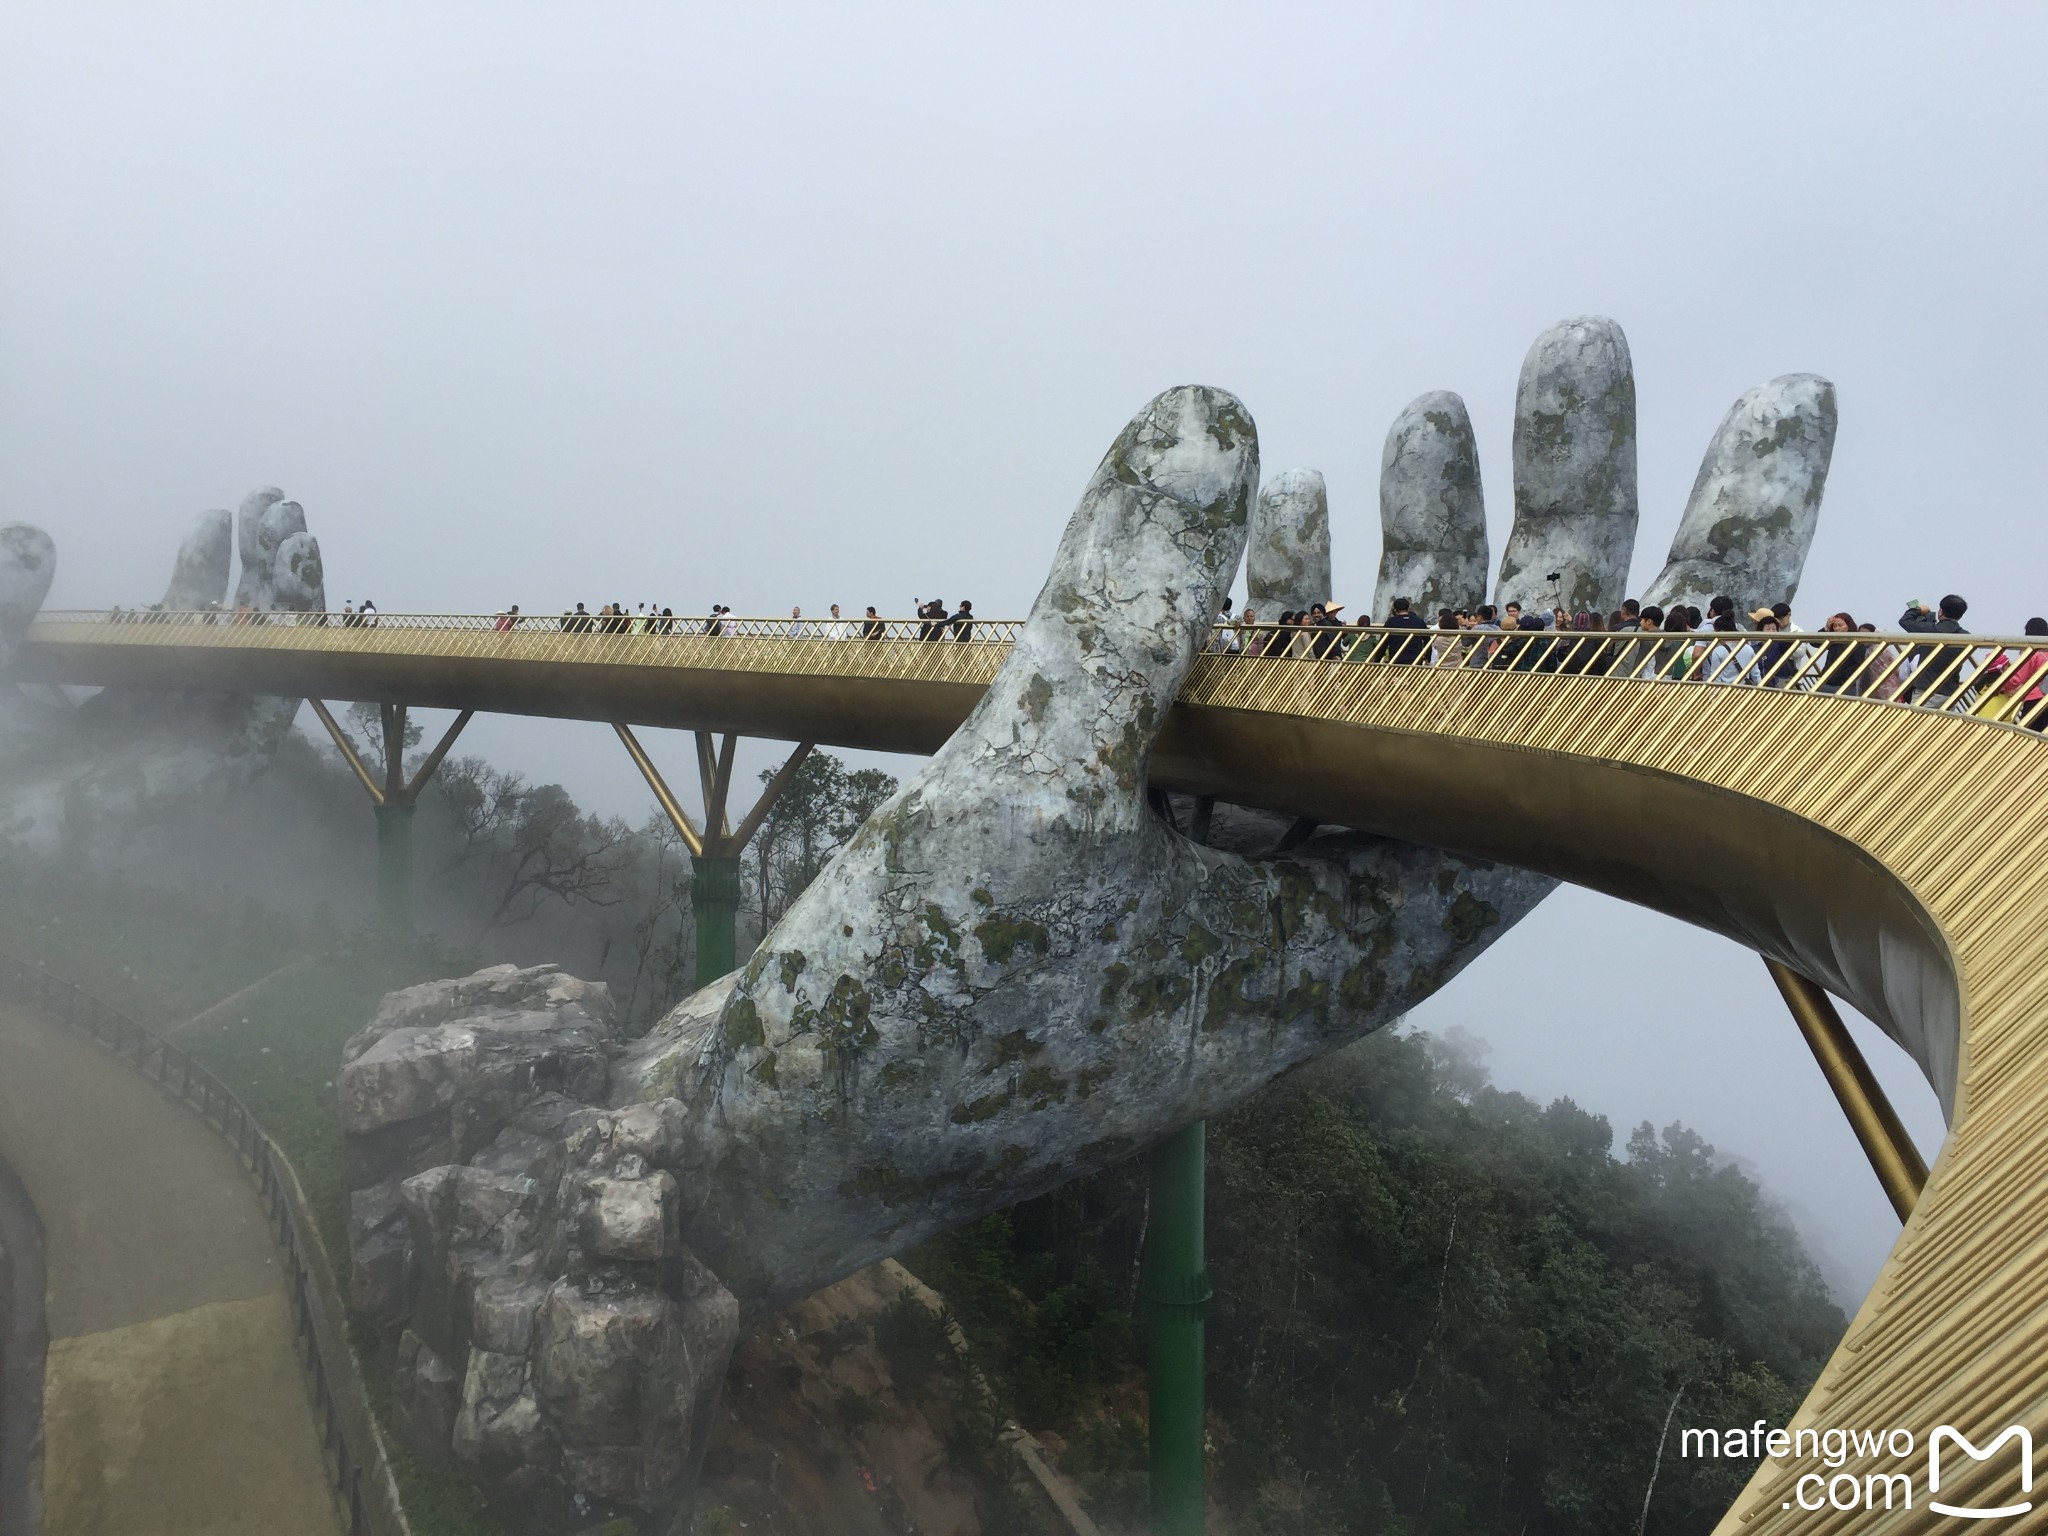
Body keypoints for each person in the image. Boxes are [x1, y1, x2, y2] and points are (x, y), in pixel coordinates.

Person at [1970, 617, 2048, 723]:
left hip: (2036, 698)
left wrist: (2003, 686)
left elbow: (2017, 678)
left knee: (2029, 733)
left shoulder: (2033, 652)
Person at [1381, 596, 1428, 663]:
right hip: (1415, 660)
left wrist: (1378, 659)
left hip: (1396, 659)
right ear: (1408, 608)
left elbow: (1383, 642)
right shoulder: (1419, 621)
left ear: (1394, 609)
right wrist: (1427, 657)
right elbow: (1427, 640)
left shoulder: (1391, 622)